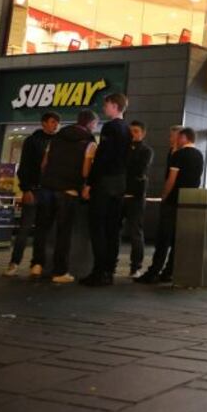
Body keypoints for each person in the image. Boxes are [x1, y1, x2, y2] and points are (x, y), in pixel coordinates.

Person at [136, 127, 204, 284]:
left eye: (177, 137)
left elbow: (171, 179)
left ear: (184, 138)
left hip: (173, 200)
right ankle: (169, 271)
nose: (173, 140)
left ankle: (154, 271)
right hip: (188, 201)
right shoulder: (199, 155)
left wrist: (164, 196)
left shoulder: (179, 154)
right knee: (177, 239)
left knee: (163, 238)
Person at [37, 109, 98, 284]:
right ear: (91, 123)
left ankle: (37, 265)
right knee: (63, 233)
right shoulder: (89, 142)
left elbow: (44, 164)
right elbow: (86, 170)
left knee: (43, 228)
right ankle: (59, 271)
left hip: (47, 187)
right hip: (68, 191)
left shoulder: (56, 138)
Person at [81, 93, 132, 287]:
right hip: (120, 183)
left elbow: (102, 157)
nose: (104, 108)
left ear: (114, 105)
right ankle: (109, 271)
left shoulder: (111, 127)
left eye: (106, 105)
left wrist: (89, 183)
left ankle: (99, 270)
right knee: (113, 228)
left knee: (98, 227)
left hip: (105, 183)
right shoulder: (127, 129)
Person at [4, 112, 60, 277]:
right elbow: (25, 167)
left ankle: (37, 263)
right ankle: (14, 262)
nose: (55, 125)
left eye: (57, 122)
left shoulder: (58, 142)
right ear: (43, 123)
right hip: (34, 189)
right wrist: (26, 188)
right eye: (52, 122)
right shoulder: (32, 141)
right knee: (24, 228)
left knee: (42, 230)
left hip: (49, 190)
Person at [123, 120, 153, 277]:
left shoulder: (146, 151)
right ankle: (110, 265)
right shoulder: (122, 148)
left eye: (135, 131)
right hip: (120, 194)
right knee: (114, 230)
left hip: (135, 197)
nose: (132, 134)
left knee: (136, 232)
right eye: (130, 131)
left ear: (143, 133)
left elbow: (139, 169)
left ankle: (135, 267)